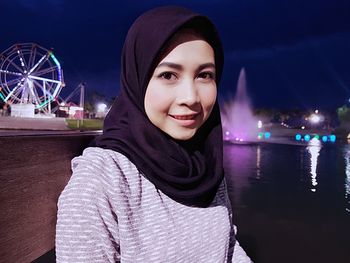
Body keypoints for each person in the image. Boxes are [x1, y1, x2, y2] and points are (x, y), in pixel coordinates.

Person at [56, 6, 252, 263]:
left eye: (205, 75)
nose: (191, 98)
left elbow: (228, 246)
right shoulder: (102, 180)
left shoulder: (205, 162)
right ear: (136, 78)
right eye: (168, 75)